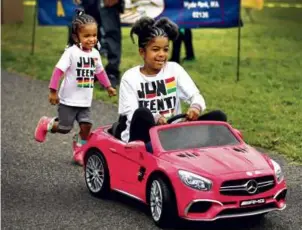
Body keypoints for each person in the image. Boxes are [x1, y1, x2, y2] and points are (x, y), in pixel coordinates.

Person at [118, 16, 227, 147]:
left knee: (219, 117)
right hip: (144, 137)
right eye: (155, 49)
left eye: (165, 49)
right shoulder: (130, 77)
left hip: (173, 136)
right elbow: (132, 114)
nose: (162, 54)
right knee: (143, 113)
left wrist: (195, 107)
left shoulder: (174, 69)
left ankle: (208, 154)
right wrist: (156, 118)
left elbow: (195, 96)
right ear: (142, 52)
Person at [34, 9, 116, 164]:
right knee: (65, 128)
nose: (91, 39)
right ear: (76, 37)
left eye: (94, 35)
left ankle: (79, 149)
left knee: (86, 127)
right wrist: (53, 91)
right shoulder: (71, 53)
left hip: (85, 101)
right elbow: (58, 71)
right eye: (87, 36)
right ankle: (47, 123)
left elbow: (100, 72)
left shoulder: (95, 54)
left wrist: (108, 86)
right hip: (68, 100)